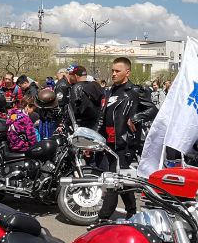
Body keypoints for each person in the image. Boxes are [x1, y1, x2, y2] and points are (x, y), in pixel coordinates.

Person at [95, 57, 158, 221]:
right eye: (112, 70)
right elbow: (101, 118)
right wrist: (94, 139)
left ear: (127, 72)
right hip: (107, 142)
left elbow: (153, 110)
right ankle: (131, 211)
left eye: (117, 71)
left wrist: (136, 117)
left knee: (113, 180)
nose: (113, 74)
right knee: (123, 178)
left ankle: (103, 217)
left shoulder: (136, 91)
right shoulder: (108, 91)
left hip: (125, 143)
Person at [64, 64, 103, 130]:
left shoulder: (76, 87)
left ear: (75, 76)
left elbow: (73, 109)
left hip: (81, 125)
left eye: (72, 76)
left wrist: (66, 123)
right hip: (96, 123)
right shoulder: (96, 86)